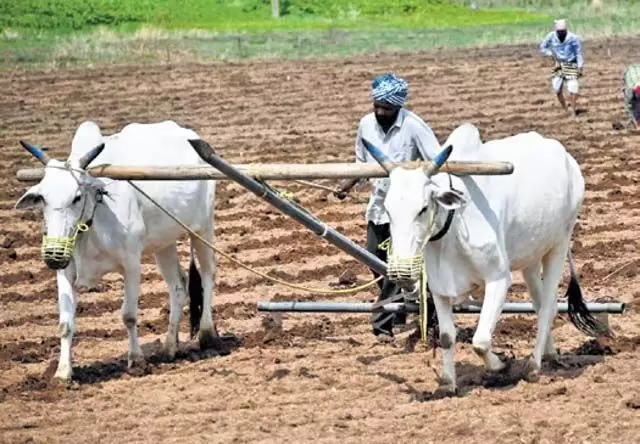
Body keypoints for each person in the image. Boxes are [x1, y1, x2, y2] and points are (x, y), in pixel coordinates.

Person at [334, 73, 441, 338]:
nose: (381, 112)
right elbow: (361, 163)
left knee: (397, 264)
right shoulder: (366, 125)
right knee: (373, 257)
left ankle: (382, 322)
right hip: (380, 206)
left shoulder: (414, 126)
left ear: (398, 107)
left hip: (407, 209)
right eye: (377, 106)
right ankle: (406, 306)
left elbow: (435, 161)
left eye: (387, 108)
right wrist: (345, 186)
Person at [539, 19, 584, 116]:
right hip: (559, 64)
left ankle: (573, 110)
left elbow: (578, 53)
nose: (561, 34)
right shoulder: (551, 36)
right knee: (556, 88)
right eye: (559, 32)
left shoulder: (573, 38)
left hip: (571, 63)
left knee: (573, 87)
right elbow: (543, 47)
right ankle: (565, 109)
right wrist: (551, 54)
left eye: (562, 32)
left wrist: (580, 66)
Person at [622, 63, 640, 128]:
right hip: (633, 88)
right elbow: (629, 106)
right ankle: (638, 123)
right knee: (636, 107)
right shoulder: (630, 91)